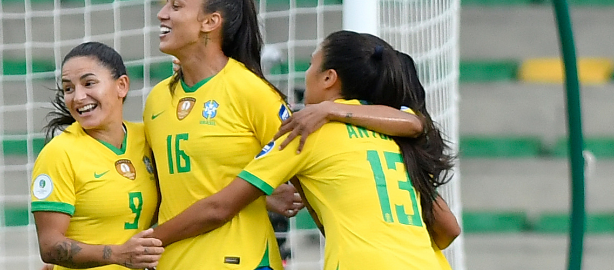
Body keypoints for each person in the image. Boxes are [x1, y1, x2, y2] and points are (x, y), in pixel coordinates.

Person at [144, 0, 426, 269]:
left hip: (242, 260)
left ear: (211, 22)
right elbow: (177, 184)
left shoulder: (254, 92)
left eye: (176, 6)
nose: (162, 14)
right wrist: (263, 195)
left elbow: (308, 186)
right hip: (173, 260)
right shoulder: (156, 99)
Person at [30, 42, 164, 270]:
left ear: (121, 86)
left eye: (89, 83)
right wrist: (117, 254)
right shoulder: (59, 154)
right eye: (69, 89)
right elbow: (50, 246)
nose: (78, 97)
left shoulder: (147, 138)